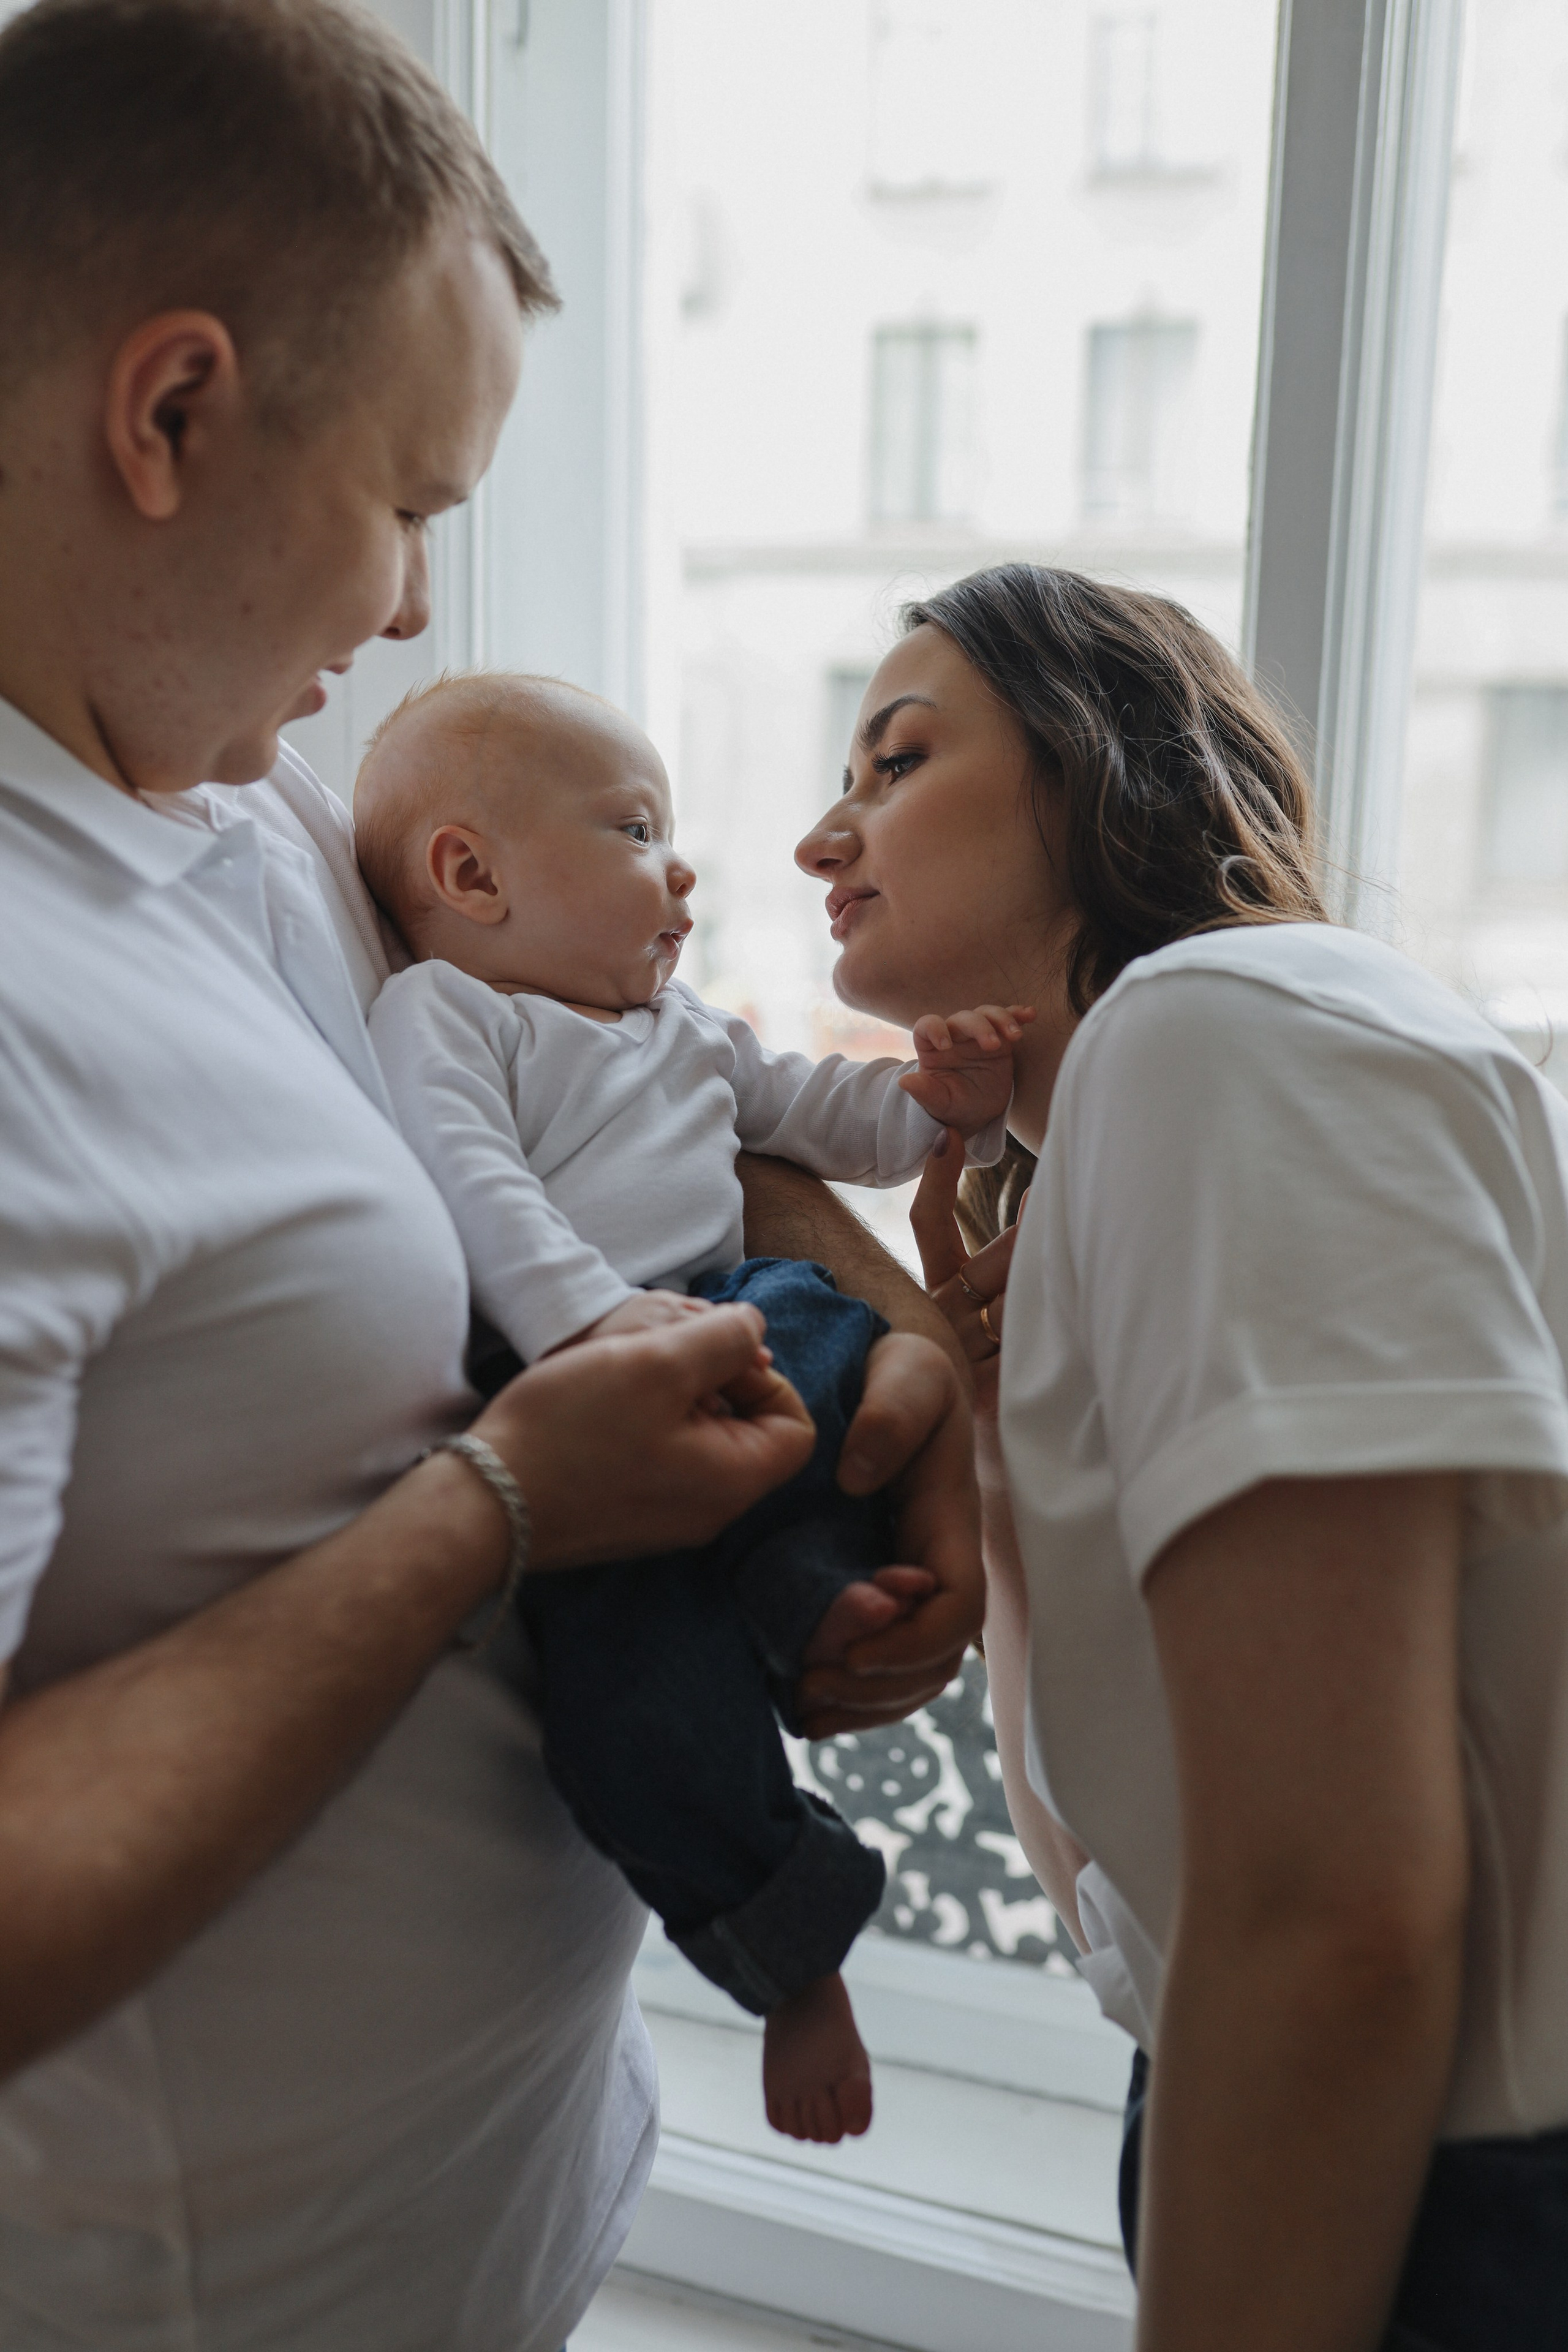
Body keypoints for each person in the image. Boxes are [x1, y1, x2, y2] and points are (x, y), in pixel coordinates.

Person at [0, 5, 982, 2346]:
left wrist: (896, 1362)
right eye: (412, 501)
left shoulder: (230, 814)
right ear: (172, 415)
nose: (420, 607)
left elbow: (638, 1085)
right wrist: (513, 1507)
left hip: (492, 2228)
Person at [794, 561, 1568, 2352]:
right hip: (1306, 2112)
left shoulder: (1221, 1031)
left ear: (1097, 764)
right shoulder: (1125, 1136)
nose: (827, 838)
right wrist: (993, 1430)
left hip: (1471, 2190)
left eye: (897, 761)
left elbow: (1337, 1914)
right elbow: (1123, 1889)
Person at [353, 669, 1028, 2144]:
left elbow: (830, 1119)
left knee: (812, 1325)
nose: (685, 866)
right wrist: (595, 1330)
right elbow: (480, 1193)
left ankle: (803, 1592)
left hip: (744, 1331)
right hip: (583, 1390)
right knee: (620, 1707)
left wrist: (942, 1096)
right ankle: (788, 1949)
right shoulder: (448, 1019)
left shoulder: (693, 1035)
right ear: (469, 875)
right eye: (635, 827)